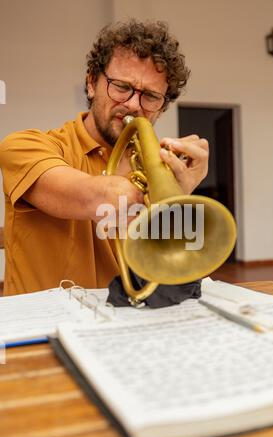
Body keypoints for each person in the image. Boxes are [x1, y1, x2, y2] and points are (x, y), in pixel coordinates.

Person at [0, 19, 209, 296]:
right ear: (91, 83)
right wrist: (165, 195)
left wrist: (177, 201)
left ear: (161, 107)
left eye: (150, 96)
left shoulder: (161, 167)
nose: (134, 104)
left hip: (125, 323)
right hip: (43, 329)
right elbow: (95, 196)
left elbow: (168, 272)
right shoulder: (24, 146)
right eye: (122, 87)